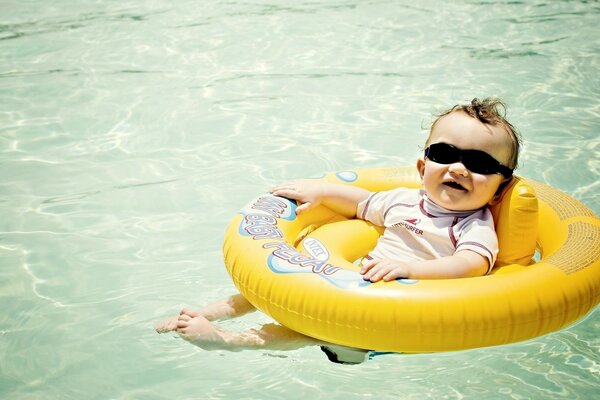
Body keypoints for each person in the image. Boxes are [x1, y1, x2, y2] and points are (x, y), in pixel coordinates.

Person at [156, 97, 521, 363]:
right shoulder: (404, 201)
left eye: (479, 162)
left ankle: (228, 340)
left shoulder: (474, 225)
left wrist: (412, 270)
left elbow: (471, 265)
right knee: (272, 290)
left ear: (501, 188)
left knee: (309, 331)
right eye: (445, 154)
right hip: (354, 285)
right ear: (422, 166)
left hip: (397, 315)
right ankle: (204, 314)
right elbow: (361, 203)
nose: (458, 168)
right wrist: (322, 192)